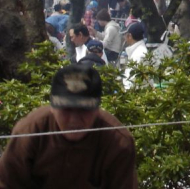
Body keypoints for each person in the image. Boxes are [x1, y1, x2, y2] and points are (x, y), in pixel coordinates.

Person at [0, 64, 138, 188]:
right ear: (52, 108)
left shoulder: (118, 142)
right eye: (66, 109)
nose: (74, 120)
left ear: (97, 109)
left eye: (84, 110)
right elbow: (7, 183)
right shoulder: (29, 132)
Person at [122, 22, 149, 89]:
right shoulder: (138, 51)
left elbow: (133, 81)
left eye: (125, 35)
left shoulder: (139, 54)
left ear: (130, 36)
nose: (124, 38)